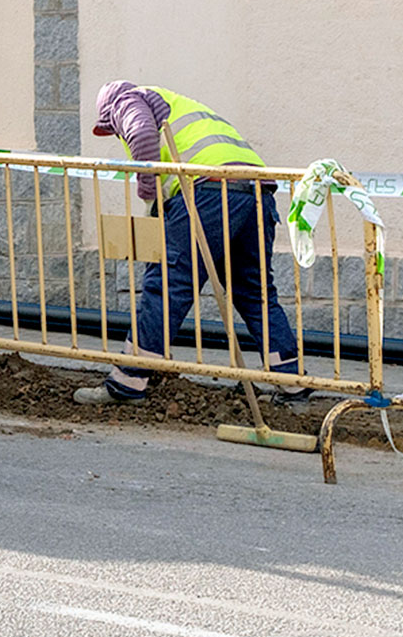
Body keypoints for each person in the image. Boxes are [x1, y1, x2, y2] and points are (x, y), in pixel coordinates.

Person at [72, 80, 308, 405]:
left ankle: (128, 382)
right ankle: (292, 382)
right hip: (256, 191)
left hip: (209, 192)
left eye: (111, 128)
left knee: (168, 286)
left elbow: (140, 135)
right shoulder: (185, 106)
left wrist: (148, 189)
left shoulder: (127, 99)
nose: (115, 133)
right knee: (254, 292)